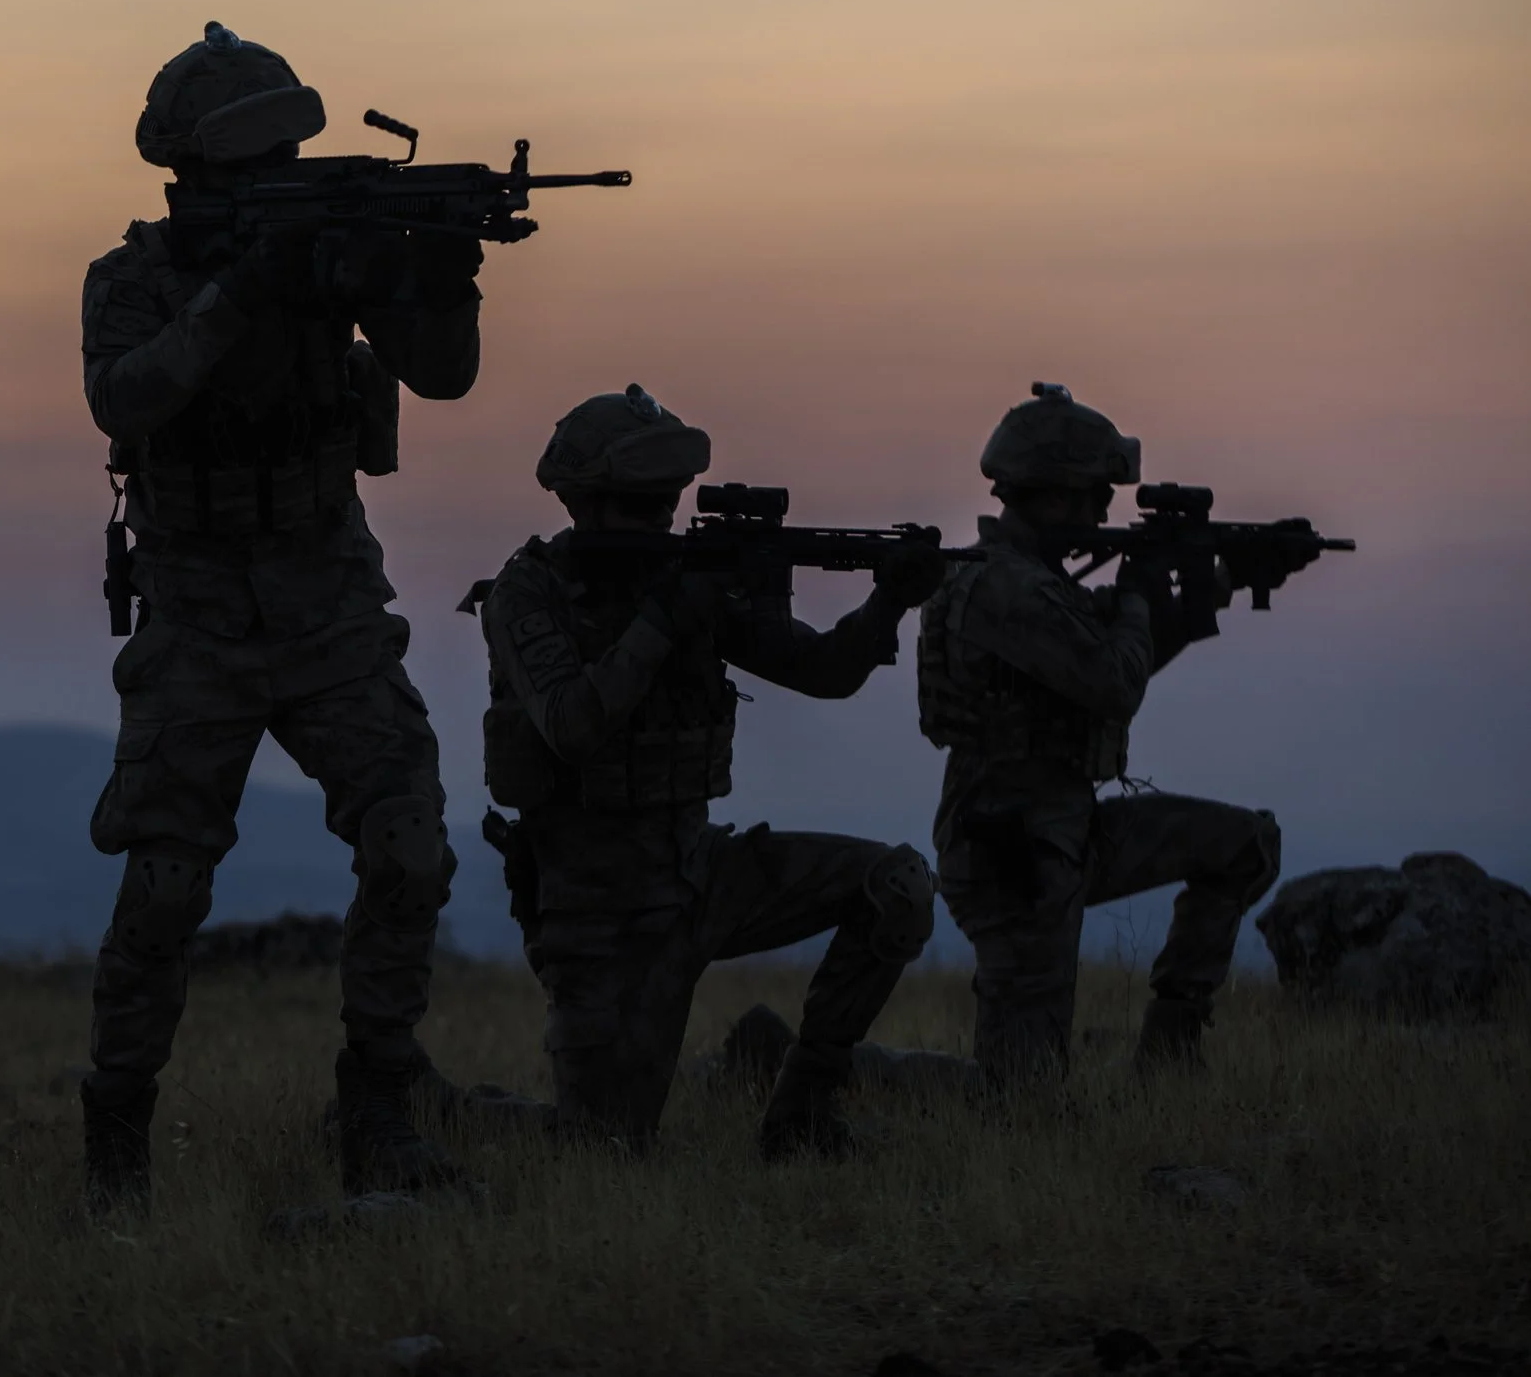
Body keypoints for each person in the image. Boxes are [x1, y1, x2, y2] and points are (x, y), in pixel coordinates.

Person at [78, 23, 484, 1209]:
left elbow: (443, 374)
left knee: (410, 843)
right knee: (162, 884)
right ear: (189, 171)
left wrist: (436, 272)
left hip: (329, 607)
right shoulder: (136, 278)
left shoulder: (333, 257)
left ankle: (379, 1111)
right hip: (198, 615)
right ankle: (115, 1142)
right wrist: (240, 289)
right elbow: (126, 393)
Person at [472, 385, 940, 1156]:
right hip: (598, 913)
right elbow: (570, 726)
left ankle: (803, 1117)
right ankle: (446, 1108)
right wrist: (665, 617)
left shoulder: (690, 584)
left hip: (698, 874)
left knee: (896, 887)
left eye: (666, 504)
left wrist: (888, 600)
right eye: (638, 505)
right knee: (604, 1151)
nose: (659, 519)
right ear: (583, 503)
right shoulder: (532, 591)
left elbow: (821, 669)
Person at [917, 383, 1280, 1084]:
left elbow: (1112, 660)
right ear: (1052, 493)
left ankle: (1171, 1056)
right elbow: (1114, 682)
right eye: (1093, 496)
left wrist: (1223, 582)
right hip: (1010, 849)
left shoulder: (1037, 581)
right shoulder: (1003, 588)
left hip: (1064, 829)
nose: (1103, 514)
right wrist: (1143, 586)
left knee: (1243, 845)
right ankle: (851, 1071)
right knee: (1024, 1097)